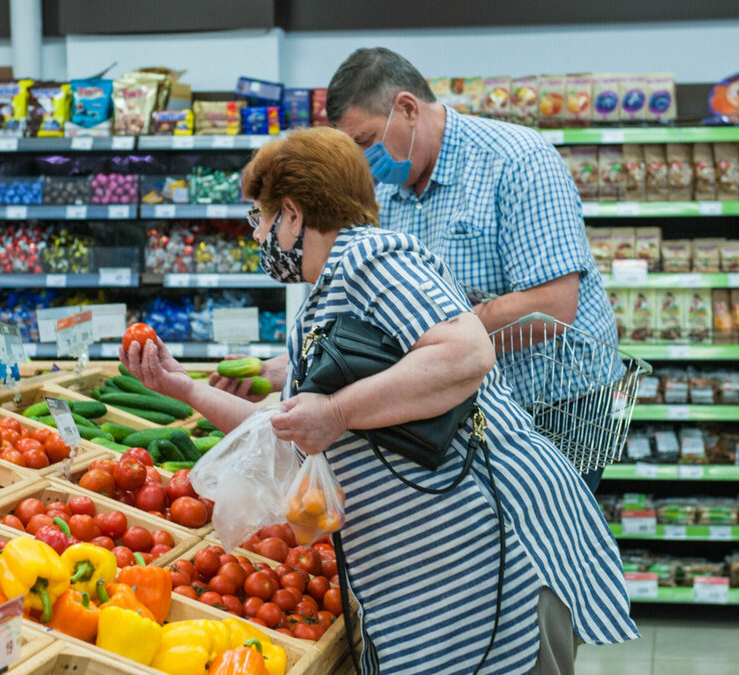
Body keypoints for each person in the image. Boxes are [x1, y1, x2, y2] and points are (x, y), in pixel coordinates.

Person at [122, 128, 637, 675]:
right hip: (438, 567)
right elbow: (289, 426)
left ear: (293, 215)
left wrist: (338, 411)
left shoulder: (371, 256)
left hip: (489, 555)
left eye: (260, 218)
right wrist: (184, 389)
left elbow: (466, 353)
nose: (258, 236)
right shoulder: (326, 296)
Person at [212, 48, 621, 493]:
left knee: (545, 532)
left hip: (558, 403)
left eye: (366, 141)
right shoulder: (382, 192)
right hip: (462, 404)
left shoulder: (518, 160)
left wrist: (442, 334)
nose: (363, 159)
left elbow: (552, 307)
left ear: (407, 108)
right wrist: (287, 368)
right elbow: (375, 318)